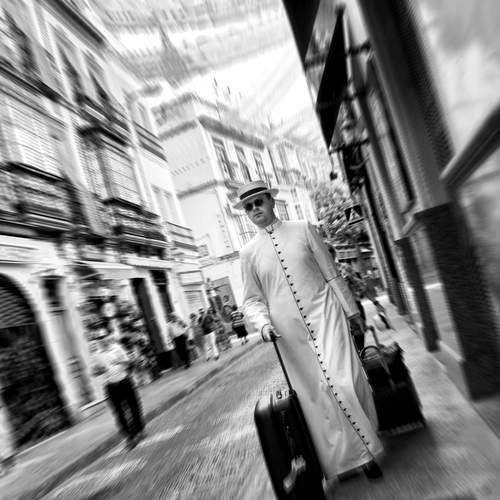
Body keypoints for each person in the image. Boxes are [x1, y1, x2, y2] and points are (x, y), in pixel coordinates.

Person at [236, 180, 383, 481]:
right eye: (248, 207)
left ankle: (365, 447)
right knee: (318, 397)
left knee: (344, 382)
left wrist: (352, 311)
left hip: (327, 315)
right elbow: (251, 300)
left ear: (271, 201)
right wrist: (262, 325)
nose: (254, 209)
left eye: (259, 202)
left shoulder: (304, 229)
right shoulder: (248, 253)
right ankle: (352, 458)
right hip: (290, 335)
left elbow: (331, 273)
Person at [91, 333, 145, 450]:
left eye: (103, 337)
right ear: (97, 342)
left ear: (107, 338)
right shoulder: (96, 355)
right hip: (110, 386)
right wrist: (98, 370)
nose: (102, 340)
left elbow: (128, 362)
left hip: (124, 382)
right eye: (99, 339)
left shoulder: (117, 348)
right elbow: (94, 372)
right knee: (119, 413)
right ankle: (129, 436)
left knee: (134, 406)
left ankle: (139, 429)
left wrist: (119, 362)